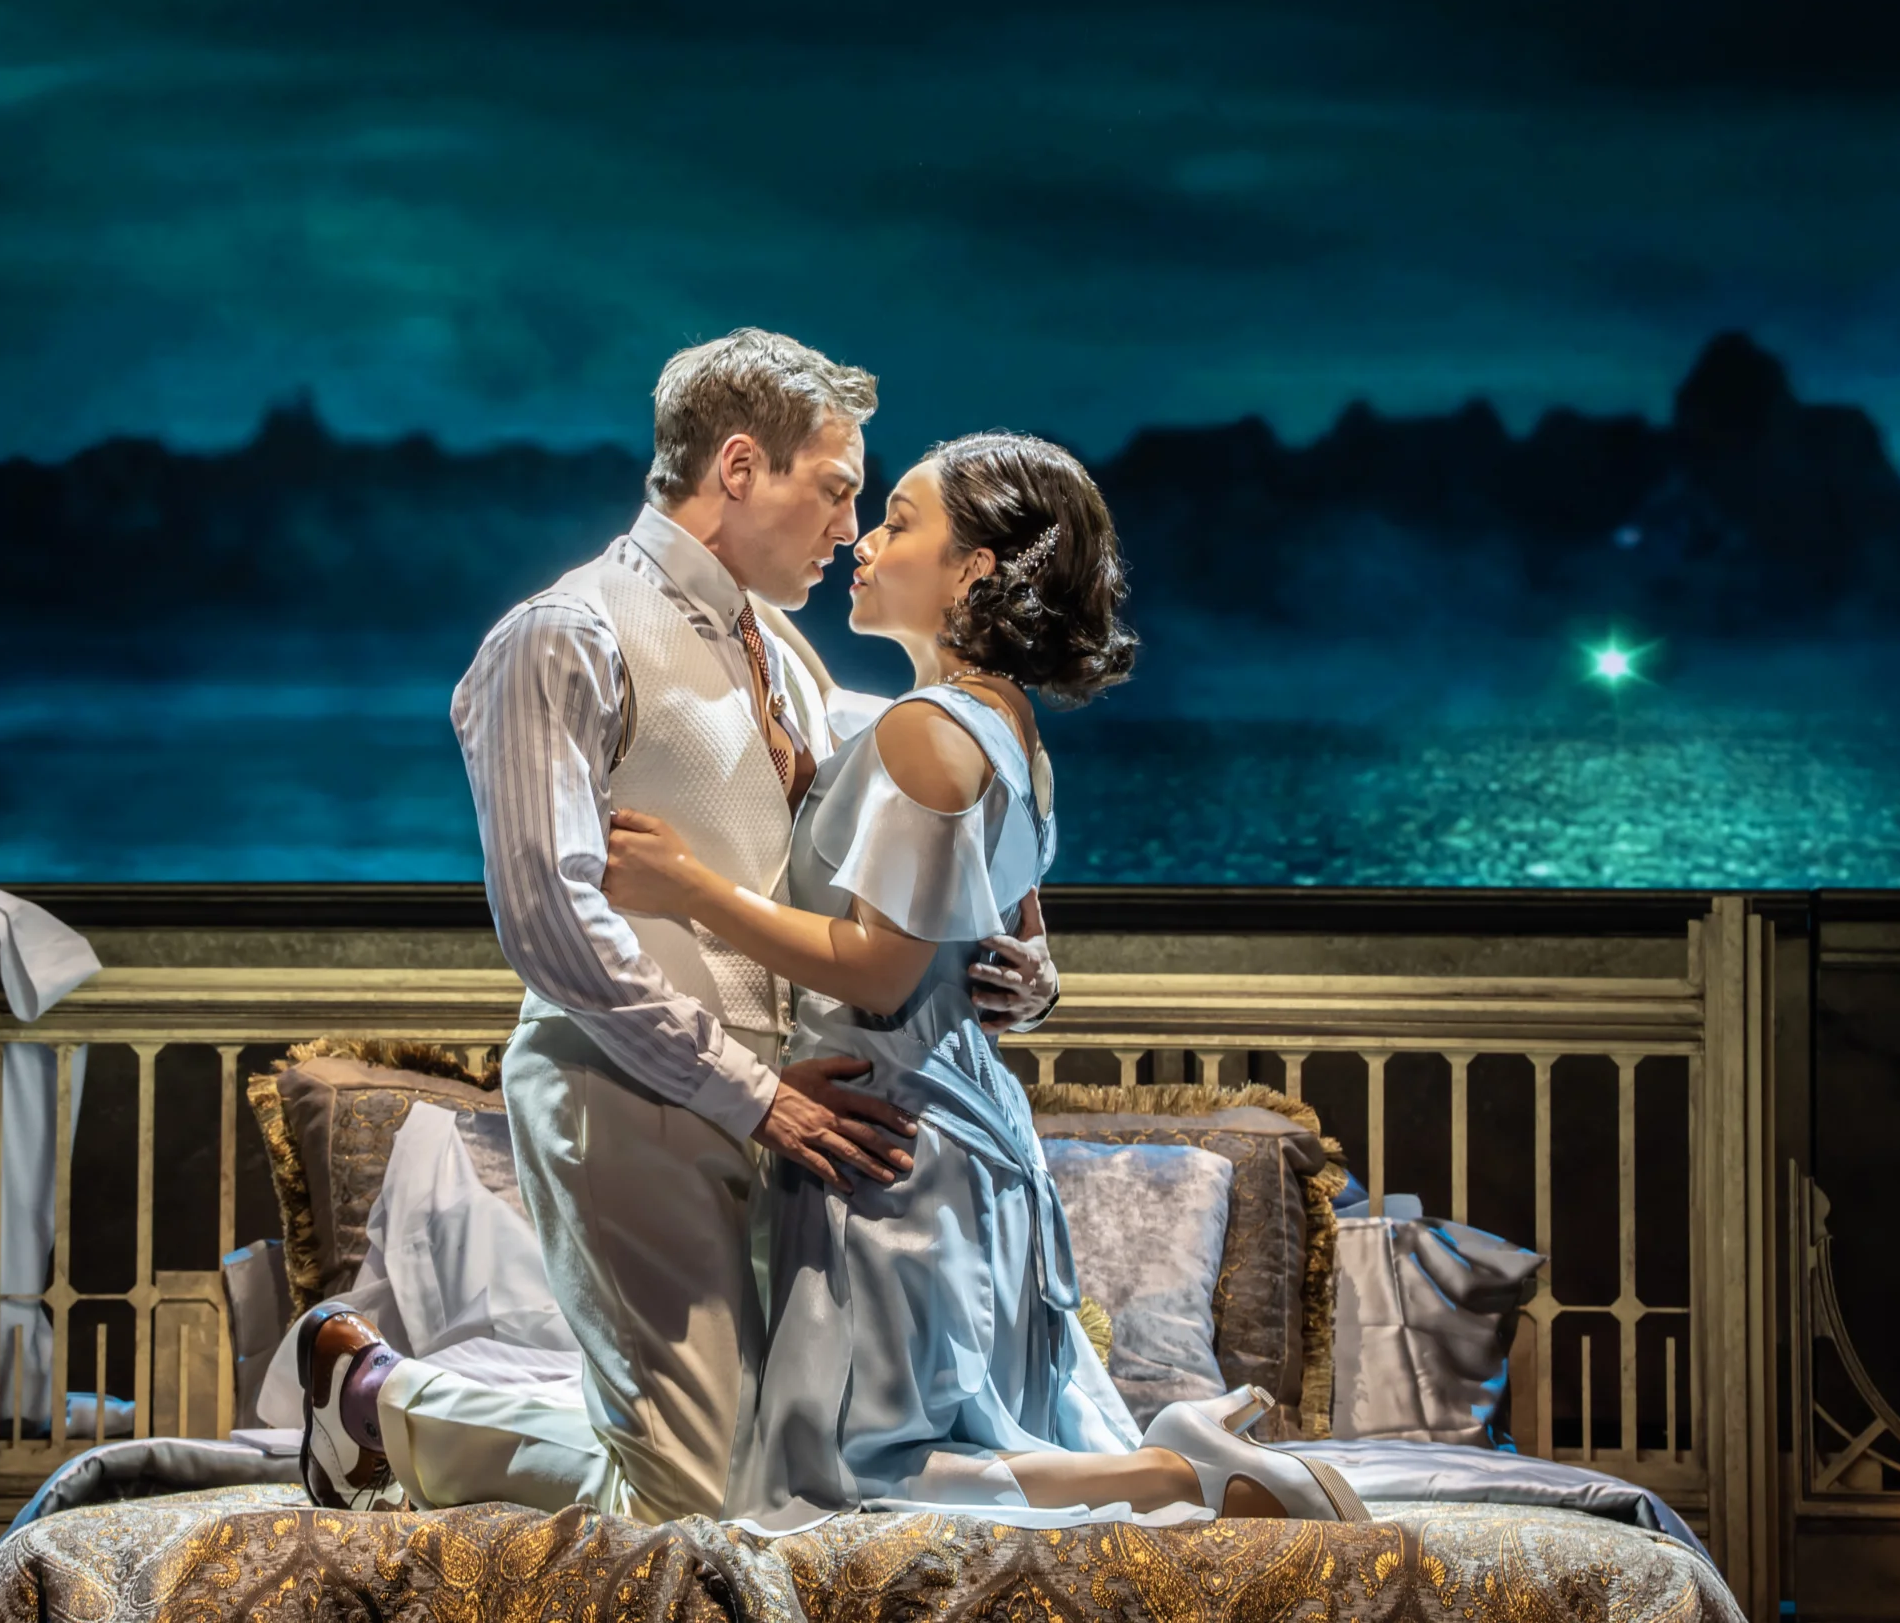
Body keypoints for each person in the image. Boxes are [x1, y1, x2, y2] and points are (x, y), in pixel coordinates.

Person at [287, 330, 1061, 1518]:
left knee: (784, 1464)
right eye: (837, 488)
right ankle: (385, 1404)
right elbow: (552, 926)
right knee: (704, 1501)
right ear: (740, 468)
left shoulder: (787, 652)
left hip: (785, 1109)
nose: (849, 527)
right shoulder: (562, 635)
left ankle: (388, 1402)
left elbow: (948, 797)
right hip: (627, 1092)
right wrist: (756, 1095)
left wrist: (1015, 955)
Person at [599, 431, 1368, 1528]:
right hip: (966, 1124)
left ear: (976, 570)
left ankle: (1176, 1473)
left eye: (899, 521)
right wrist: (1030, 975)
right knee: (936, 1434)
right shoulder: (1000, 729)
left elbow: (878, 969)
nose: (865, 541)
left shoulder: (926, 734)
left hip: (897, 1132)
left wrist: (689, 889)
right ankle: (1173, 1462)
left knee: (865, 1470)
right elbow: (1002, 936)